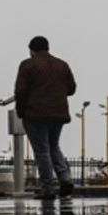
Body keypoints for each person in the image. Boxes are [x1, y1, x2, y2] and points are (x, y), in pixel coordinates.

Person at [14, 35, 77, 200]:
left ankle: (47, 188)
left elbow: (20, 91)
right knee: (54, 146)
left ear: (32, 50)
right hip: (58, 114)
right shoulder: (62, 65)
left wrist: (21, 112)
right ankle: (65, 178)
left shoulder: (28, 65)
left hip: (35, 114)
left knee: (42, 150)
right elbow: (71, 89)